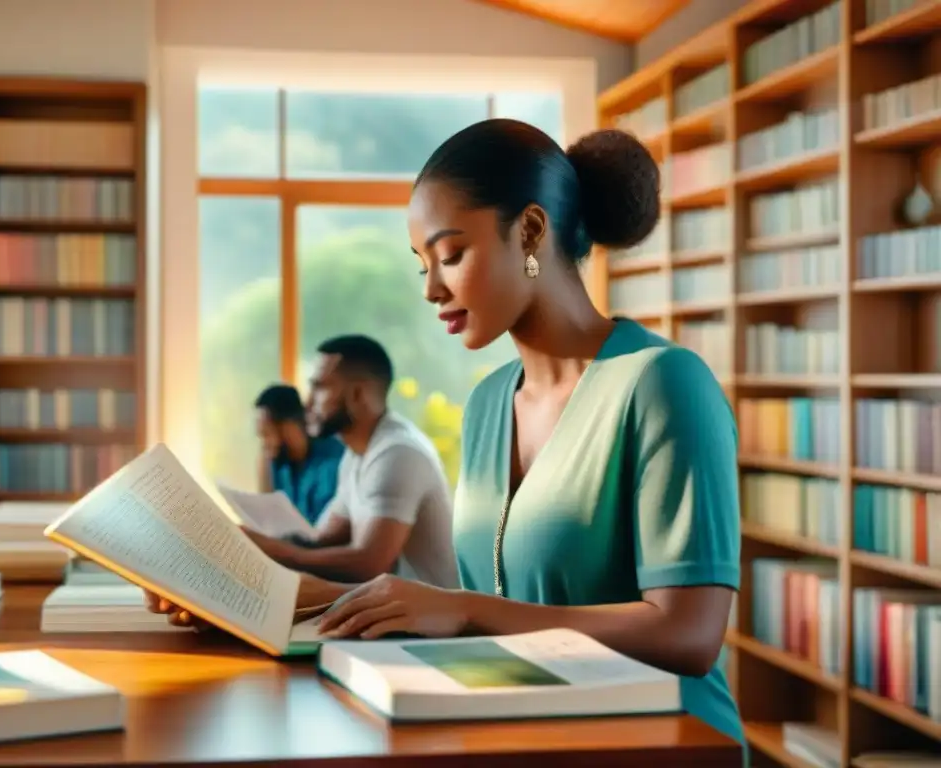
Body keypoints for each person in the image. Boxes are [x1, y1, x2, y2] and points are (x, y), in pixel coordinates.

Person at [147, 120, 742, 755]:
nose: (432, 289)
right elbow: (469, 606)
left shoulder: (663, 384)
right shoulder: (488, 404)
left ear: (531, 232)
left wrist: (463, 610)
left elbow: (688, 634)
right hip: (521, 731)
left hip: (661, 742)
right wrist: (251, 592)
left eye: (451, 254)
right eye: (423, 264)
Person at [242, 335, 458, 587]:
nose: (308, 403)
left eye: (319, 388)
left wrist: (275, 550)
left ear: (357, 394)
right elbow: (322, 539)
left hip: (428, 620)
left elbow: (369, 565)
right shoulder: (356, 455)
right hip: (390, 610)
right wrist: (249, 540)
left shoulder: (397, 453)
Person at [253, 384, 344, 526]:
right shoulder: (278, 462)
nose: (264, 446)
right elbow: (266, 522)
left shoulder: (335, 462)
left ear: (290, 427)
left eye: (267, 435)